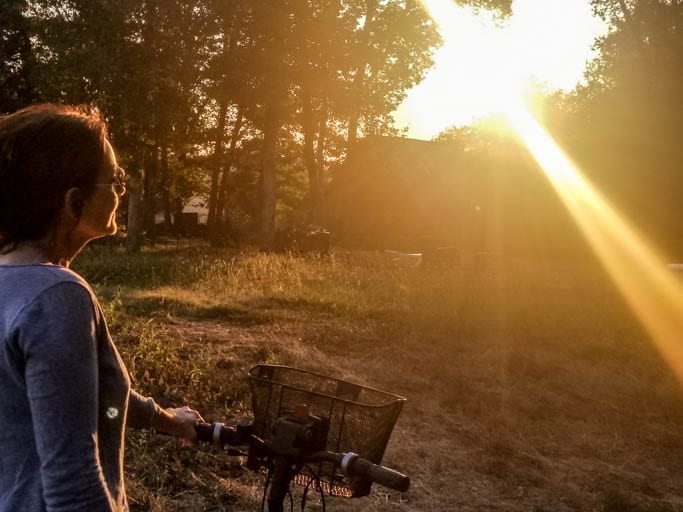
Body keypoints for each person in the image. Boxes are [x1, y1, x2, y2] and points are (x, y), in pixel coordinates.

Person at [0, 104, 203, 511]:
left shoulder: (14, 287)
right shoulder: (57, 295)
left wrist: (166, 419)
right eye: (114, 181)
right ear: (72, 202)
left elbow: (80, 397)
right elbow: (72, 485)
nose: (120, 192)